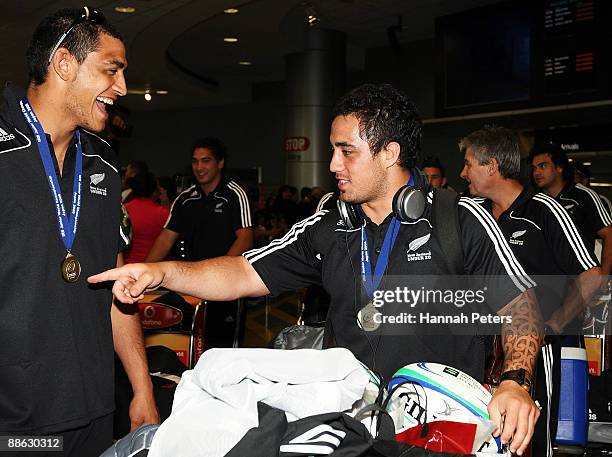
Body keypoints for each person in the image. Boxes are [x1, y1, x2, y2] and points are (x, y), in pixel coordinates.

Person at [90, 83, 542, 456]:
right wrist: (163, 273)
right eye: (332, 150)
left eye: (347, 151)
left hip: (439, 432)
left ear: (389, 153)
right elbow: (242, 273)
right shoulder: (329, 227)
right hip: (351, 433)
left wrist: (516, 383)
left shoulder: (459, 220)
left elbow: (520, 304)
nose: (332, 165)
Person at [0, 7, 158, 456]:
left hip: (93, 410)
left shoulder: (105, 165)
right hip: (14, 419)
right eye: (112, 70)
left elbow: (116, 281)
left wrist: (141, 388)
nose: (122, 89)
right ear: (64, 63)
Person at [459, 125, 601, 457]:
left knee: (533, 440)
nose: (462, 172)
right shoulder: (472, 214)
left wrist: (554, 322)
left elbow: (591, 275)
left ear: (492, 166)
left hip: (540, 353)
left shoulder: (545, 211)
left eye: (468, 163)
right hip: (485, 355)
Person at [146, 137, 253, 348]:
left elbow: (246, 237)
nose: (199, 167)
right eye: (195, 161)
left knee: (225, 348)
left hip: (228, 285)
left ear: (220, 163)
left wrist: (218, 272)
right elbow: (166, 238)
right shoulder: (185, 199)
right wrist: (144, 270)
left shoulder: (234, 194)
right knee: (193, 346)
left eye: (206, 161)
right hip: (192, 288)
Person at [531, 145, 612, 281]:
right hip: (546, 282)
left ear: (559, 167)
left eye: (543, 166)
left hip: (581, 279)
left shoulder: (584, 195)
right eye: (534, 168)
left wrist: (603, 277)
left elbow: (608, 234)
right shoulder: (534, 200)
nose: (536, 173)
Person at [124, 171, 170, 264]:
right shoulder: (162, 213)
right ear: (154, 191)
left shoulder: (123, 210)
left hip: (126, 267)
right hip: (153, 269)